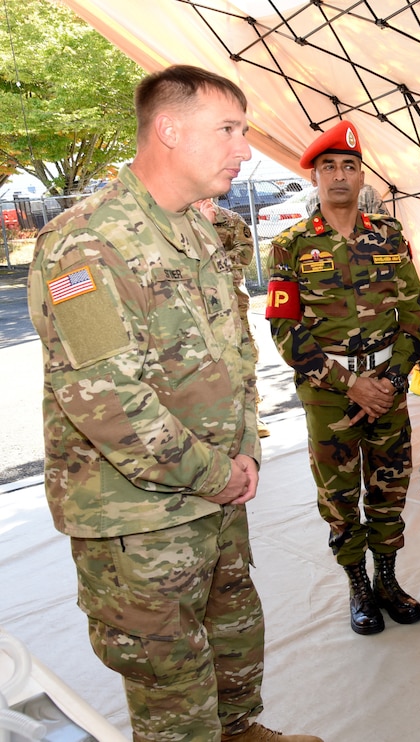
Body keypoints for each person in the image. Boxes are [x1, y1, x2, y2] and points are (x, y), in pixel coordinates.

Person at [27, 65, 321, 742]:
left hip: (215, 491)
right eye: (229, 130)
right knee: (173, 686)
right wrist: (221, 474)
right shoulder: (84, 245)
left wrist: (242, 450)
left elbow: (234, 348)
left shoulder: (195, 228)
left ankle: (241, 732)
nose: (244, 148)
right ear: (168, 129)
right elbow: (110, 403)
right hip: (140, 514)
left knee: (233, 638)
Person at [265, 120, 420, 636]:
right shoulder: (289, 246)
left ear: (362, 177)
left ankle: (387, 580)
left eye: (350, 167)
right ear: (314, 178)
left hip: (388, 388)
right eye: (329, 167)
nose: (340, 176)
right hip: (328, 396)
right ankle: (357, 585)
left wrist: (391, 379)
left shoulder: (389, 235)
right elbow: (284, 330)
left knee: (389, 488)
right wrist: (348, 383)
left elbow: (415, 312)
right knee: (338, 497)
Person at [194, 197, 271, 437]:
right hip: (196, 303)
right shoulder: (178, 219)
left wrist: (208, 259)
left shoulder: (232, 220)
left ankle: (251, 416)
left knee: (244, 354)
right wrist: (202, 228)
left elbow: (245, 255)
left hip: (233, 300)